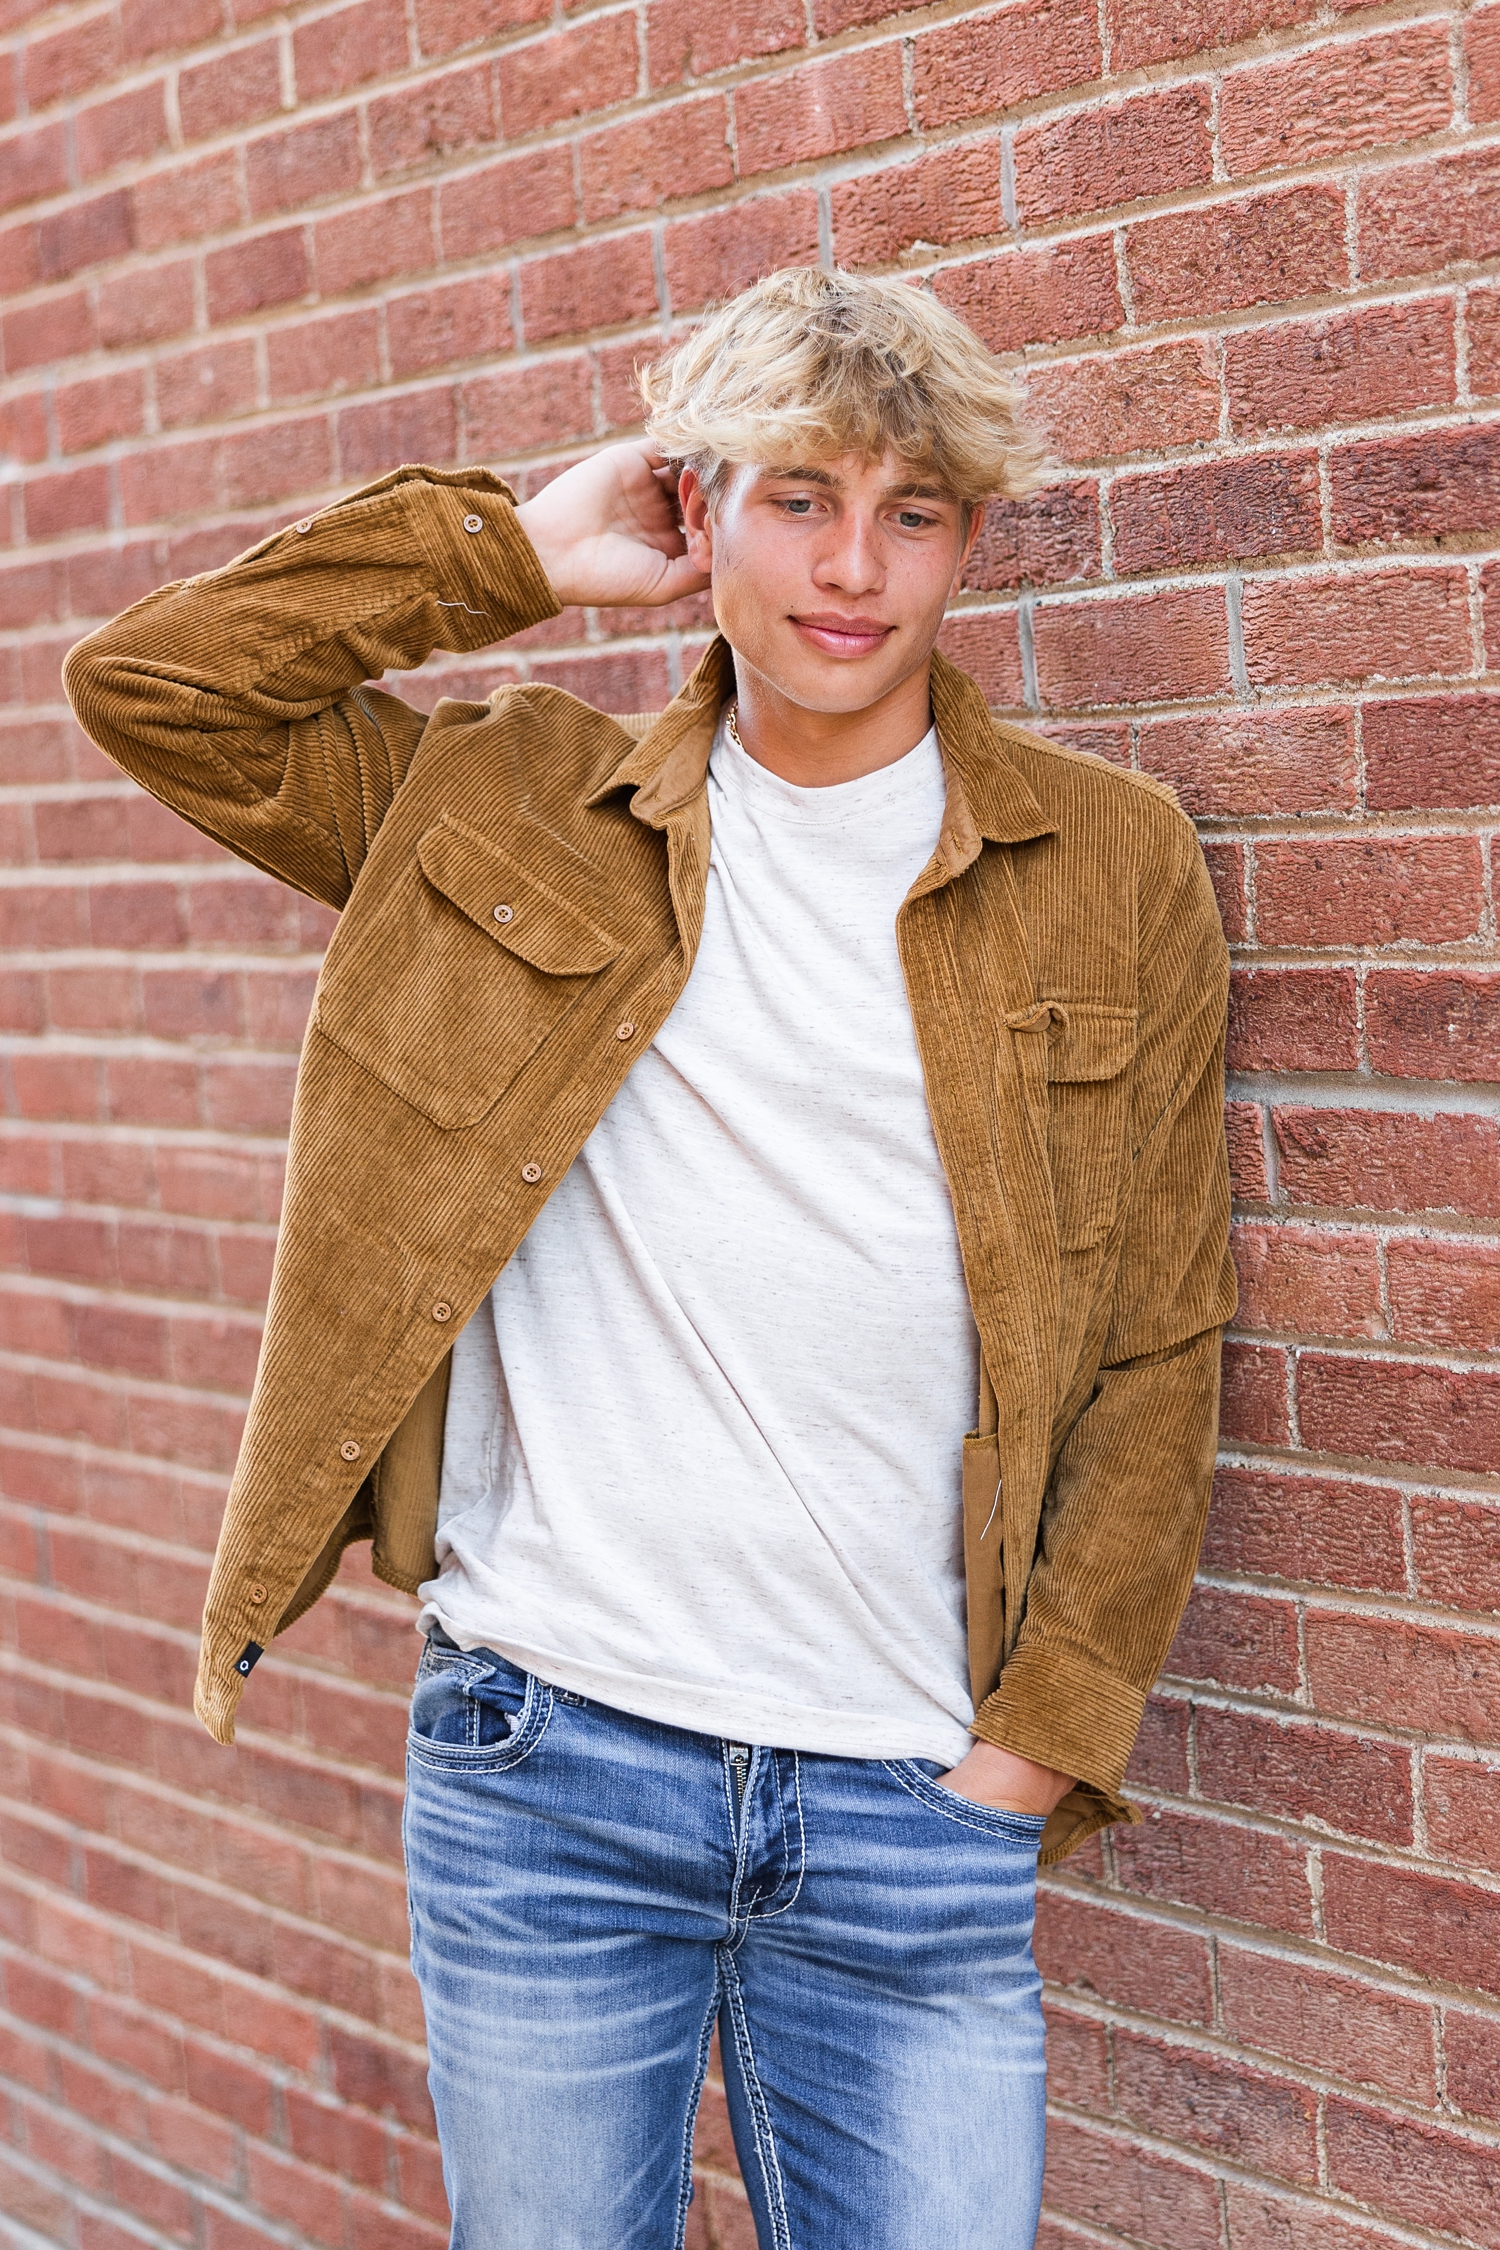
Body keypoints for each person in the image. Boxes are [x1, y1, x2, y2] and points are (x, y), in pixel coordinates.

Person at [65, 268, 1235, 2250]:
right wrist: (510, 550)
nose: (853, 569)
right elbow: (159, 685)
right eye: (796, 498)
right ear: (701, 508)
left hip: (912, 1813)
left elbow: (1158, 1340)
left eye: (912, 513)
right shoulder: (504, 805)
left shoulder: (1108, 866)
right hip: (552, 1770)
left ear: (967, 538)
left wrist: (1025, 1762)